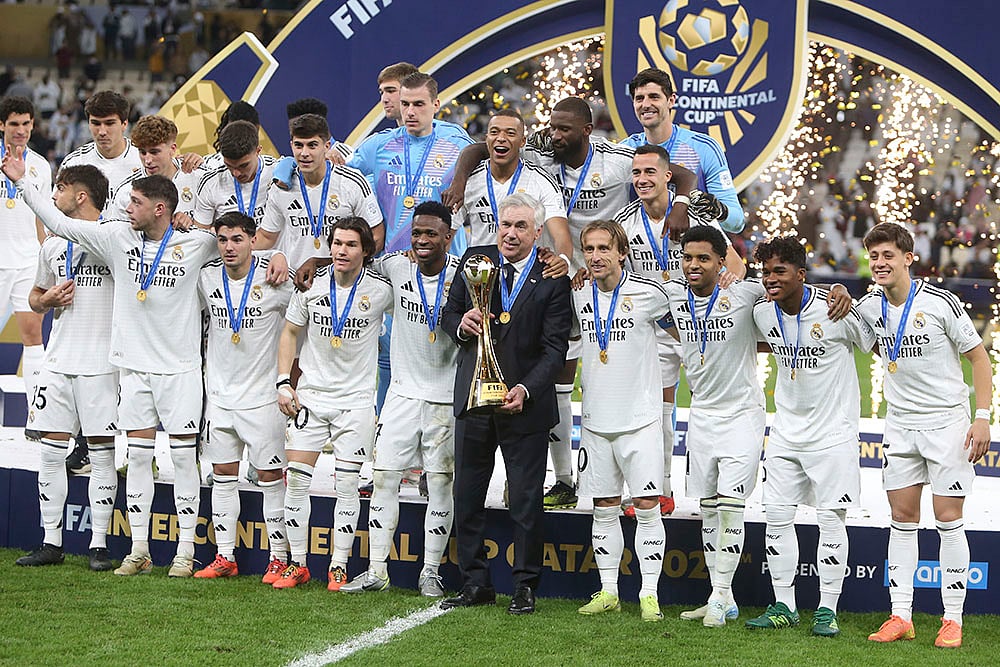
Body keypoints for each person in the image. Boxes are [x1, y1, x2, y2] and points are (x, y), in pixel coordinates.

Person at [2, 156, 222, 579]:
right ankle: (136, 550)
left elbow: (244, 241)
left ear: (160, 208)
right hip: (132, 367)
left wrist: (208, 227)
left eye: (135, 202)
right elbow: (60, 225)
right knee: (136, 459)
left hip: (177, 369)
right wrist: (21, 184)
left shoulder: (196, 245)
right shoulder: (116, 237)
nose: (126, 208)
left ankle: (183, 553)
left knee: (180, 461)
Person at [857, 223, 992, 649]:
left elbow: (979, 359)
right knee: (902, 520)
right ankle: (901, 615)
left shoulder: (940, 302)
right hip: (899, 425)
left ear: (907, 259)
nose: (880, 263)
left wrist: (983, 416)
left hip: (947, 424)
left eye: (887, 256)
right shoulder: (869, 307)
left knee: (949, 520)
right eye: (874, 256)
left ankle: (952, 619)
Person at [439, 193, 572, 615]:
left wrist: (526, 390)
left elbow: (555, 348)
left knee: (526, 500)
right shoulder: (475, 261)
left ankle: (525, 585)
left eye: (520, 227)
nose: (510, 234)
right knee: (467, 494)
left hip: (524, 405)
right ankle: (475, 582)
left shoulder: (552, 276)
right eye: (505, 224)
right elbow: (448, 314)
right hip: (475, 399)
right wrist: (460, 325)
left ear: (537, 233)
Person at [748, 235, 876, 636]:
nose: (771, 279)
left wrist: (844, 292)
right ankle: (784, 604)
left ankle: (827, 608)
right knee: (777, 519)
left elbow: (873, 343)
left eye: (780, 272)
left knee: (830, 521)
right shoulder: (762, 314)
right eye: (766, 271)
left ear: (801, 274)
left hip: (833, 434)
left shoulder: (834, 309)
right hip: (785, 432)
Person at [616, 144, 745, 517]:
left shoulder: (696, 218)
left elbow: (735, 266)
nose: (642, 179)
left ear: (667, 177)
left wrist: (715, 309)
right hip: (658, 331)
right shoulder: (626, 222)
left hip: (702, 328)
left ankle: (723, 490)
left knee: (716, 406)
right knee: (657, 411)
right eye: (636, 173)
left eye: (649, 173)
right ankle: (661, 491)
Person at [341, 201, 460, 598]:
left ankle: (430, 571)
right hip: (402, 396)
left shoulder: (466, 275)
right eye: (417, 233)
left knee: (441, 485)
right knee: (383, 479)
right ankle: (377, 569)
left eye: (431, 234)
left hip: (446, 398)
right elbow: (354, 263)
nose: (422, 240)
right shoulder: (395, 266)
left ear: (449, 236)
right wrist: (315, 261)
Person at [272, 217, 393, 590]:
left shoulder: (382, 290)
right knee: (295, 484)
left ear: (365, 251)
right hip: (311, 398)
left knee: (346, 487)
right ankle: (298, 563)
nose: (342, 250)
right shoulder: (310, 286)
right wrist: (282, 383)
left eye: (351, 245)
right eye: (337, 243)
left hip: (355, 404)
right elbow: (290, 333)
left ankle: (338, 565)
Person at [13, 165, 119, 572]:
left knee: (102, 457)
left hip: (101, 365)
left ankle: (99, 547)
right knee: (51, 455)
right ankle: (51, 542)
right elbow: (35, 297)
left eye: (60, 187)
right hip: (58, 363)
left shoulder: (113, 239)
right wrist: (48, 300)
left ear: (81, 196)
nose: (54, 193)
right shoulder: (53, 247)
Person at [572, 220, 670, 622]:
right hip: (596, 419)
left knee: (647, 507)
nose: (595, 257)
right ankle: (609, 590)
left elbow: (691, 311)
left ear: (621, 252)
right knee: (604, 508)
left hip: (641, 419)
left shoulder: (649, 294)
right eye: (589, 249)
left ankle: (649, 594)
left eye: (603, 249)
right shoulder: (578, 292)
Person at [193, 212, 293, 582]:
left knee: (269, 477)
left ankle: (279, 557)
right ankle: (224, 557)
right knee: (222, 477)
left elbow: (301, 316)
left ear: (253, 240)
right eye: (223, 239)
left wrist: (281, 256)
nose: (229, 246)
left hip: (263, 399)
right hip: (220, 397)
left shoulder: (276, 280)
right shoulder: (206, 277)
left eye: (237, 239)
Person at [620, 68, 744, 235]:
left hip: (692, 254)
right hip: (642, 254)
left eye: (654, 97)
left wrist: (719, 210)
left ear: (671, 100)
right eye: (639, 98)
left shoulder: (703, 147)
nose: (646, 104)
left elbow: (736, 222)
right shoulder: (624, 150)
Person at [259, 113, 383, 273]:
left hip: (343, 281)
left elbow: (376, 236)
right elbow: (267, 236)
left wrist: (337, 266)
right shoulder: (281, 187)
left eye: (312, 145)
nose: (304, 153)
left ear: (327, 146)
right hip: (299, 283)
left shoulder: (352, 182)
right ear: (291, 145)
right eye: (298, 145)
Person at [0, 97, 51, 409]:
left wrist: (46, 255)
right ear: (1, 125)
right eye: (14, 124)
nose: (20, 130)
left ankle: (37, 412)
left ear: (33, 125)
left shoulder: (41, 167)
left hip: (27, 262)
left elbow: (41, 216)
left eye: (26, 124)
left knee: (33, 336)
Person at [106, 115, 206, 222]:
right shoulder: (126, 191)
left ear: (172, 149)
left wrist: (192, 226)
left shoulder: (198, 177)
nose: (148, 160)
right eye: (142, 152)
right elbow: (116, 234)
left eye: (154, 152)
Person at [59, 90, 142, 206]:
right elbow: (58, 213)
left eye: (109, 123)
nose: (102, 132)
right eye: (96, 124)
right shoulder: (74, 163)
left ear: (124, 124)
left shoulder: (144, 160)